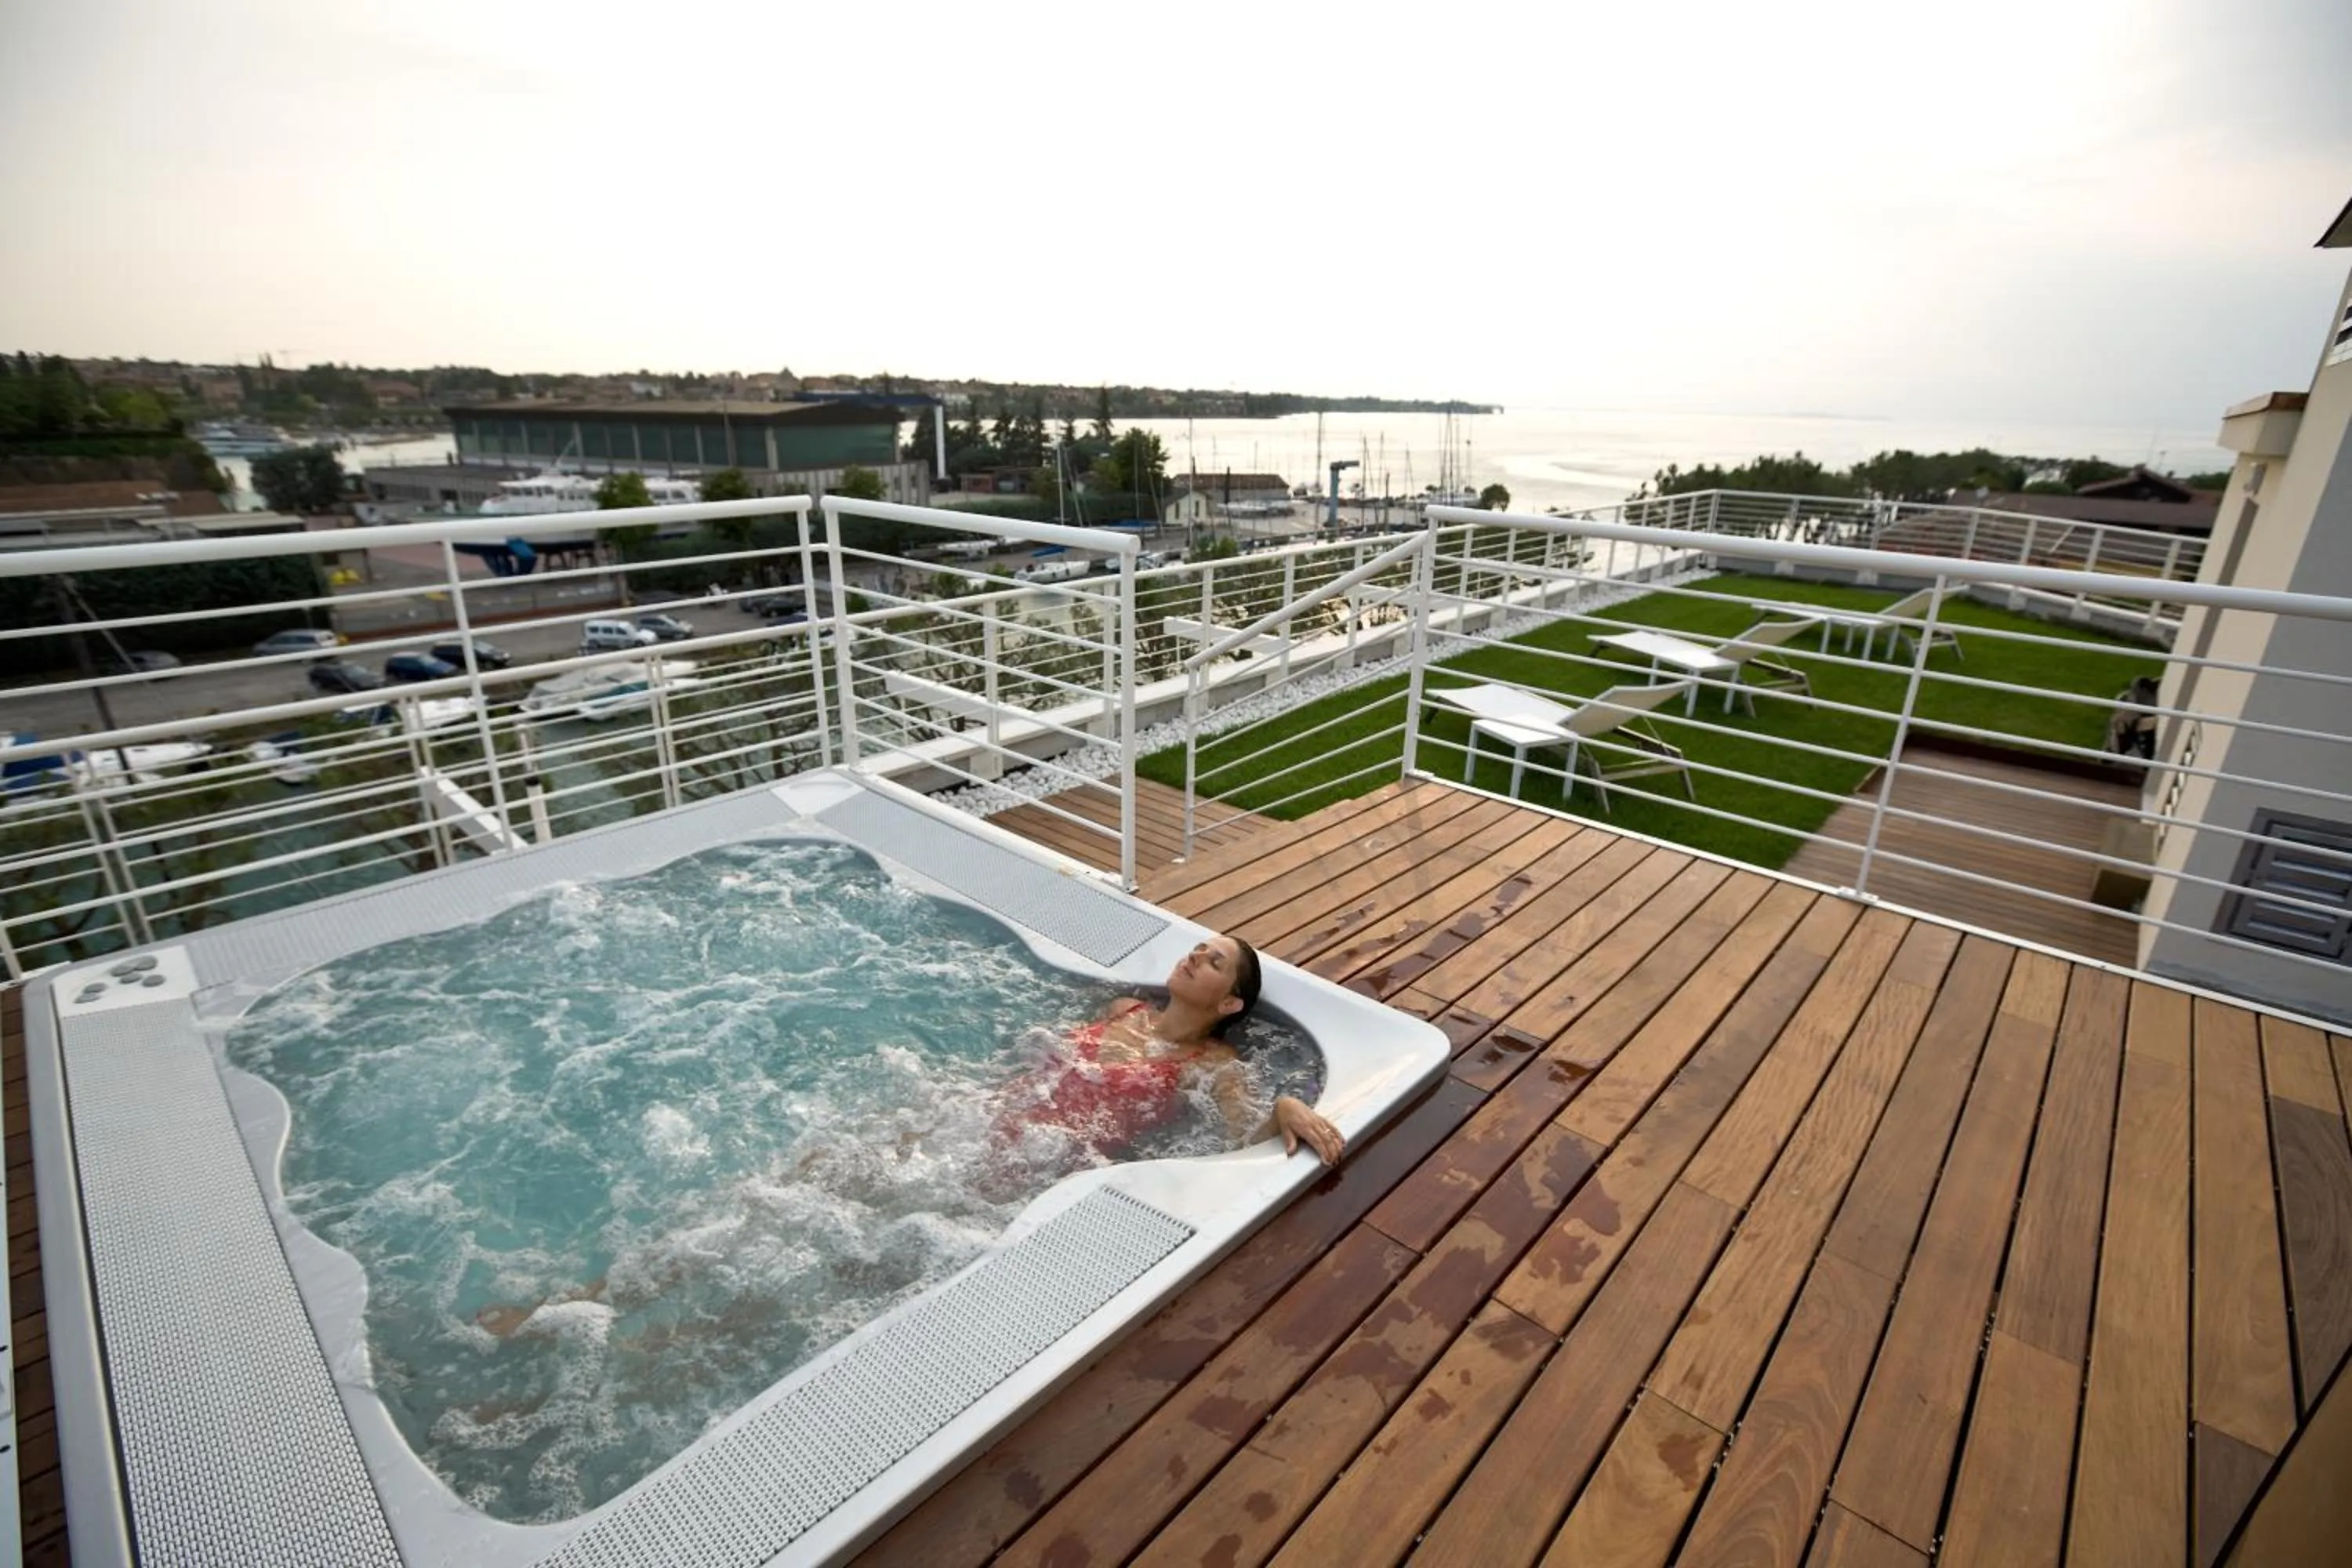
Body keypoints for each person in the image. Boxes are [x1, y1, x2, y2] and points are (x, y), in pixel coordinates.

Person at [996, 934, 1345, 1167]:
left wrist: (1285, 1109)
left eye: (1215, 963)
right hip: (991, 1113)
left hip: (1044, 1158)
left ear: (1228, 1003)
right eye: (1199, 949)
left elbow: (1242, 1141)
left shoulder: (1214, 1064)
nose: (1196, 956)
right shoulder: (1123, 1008)